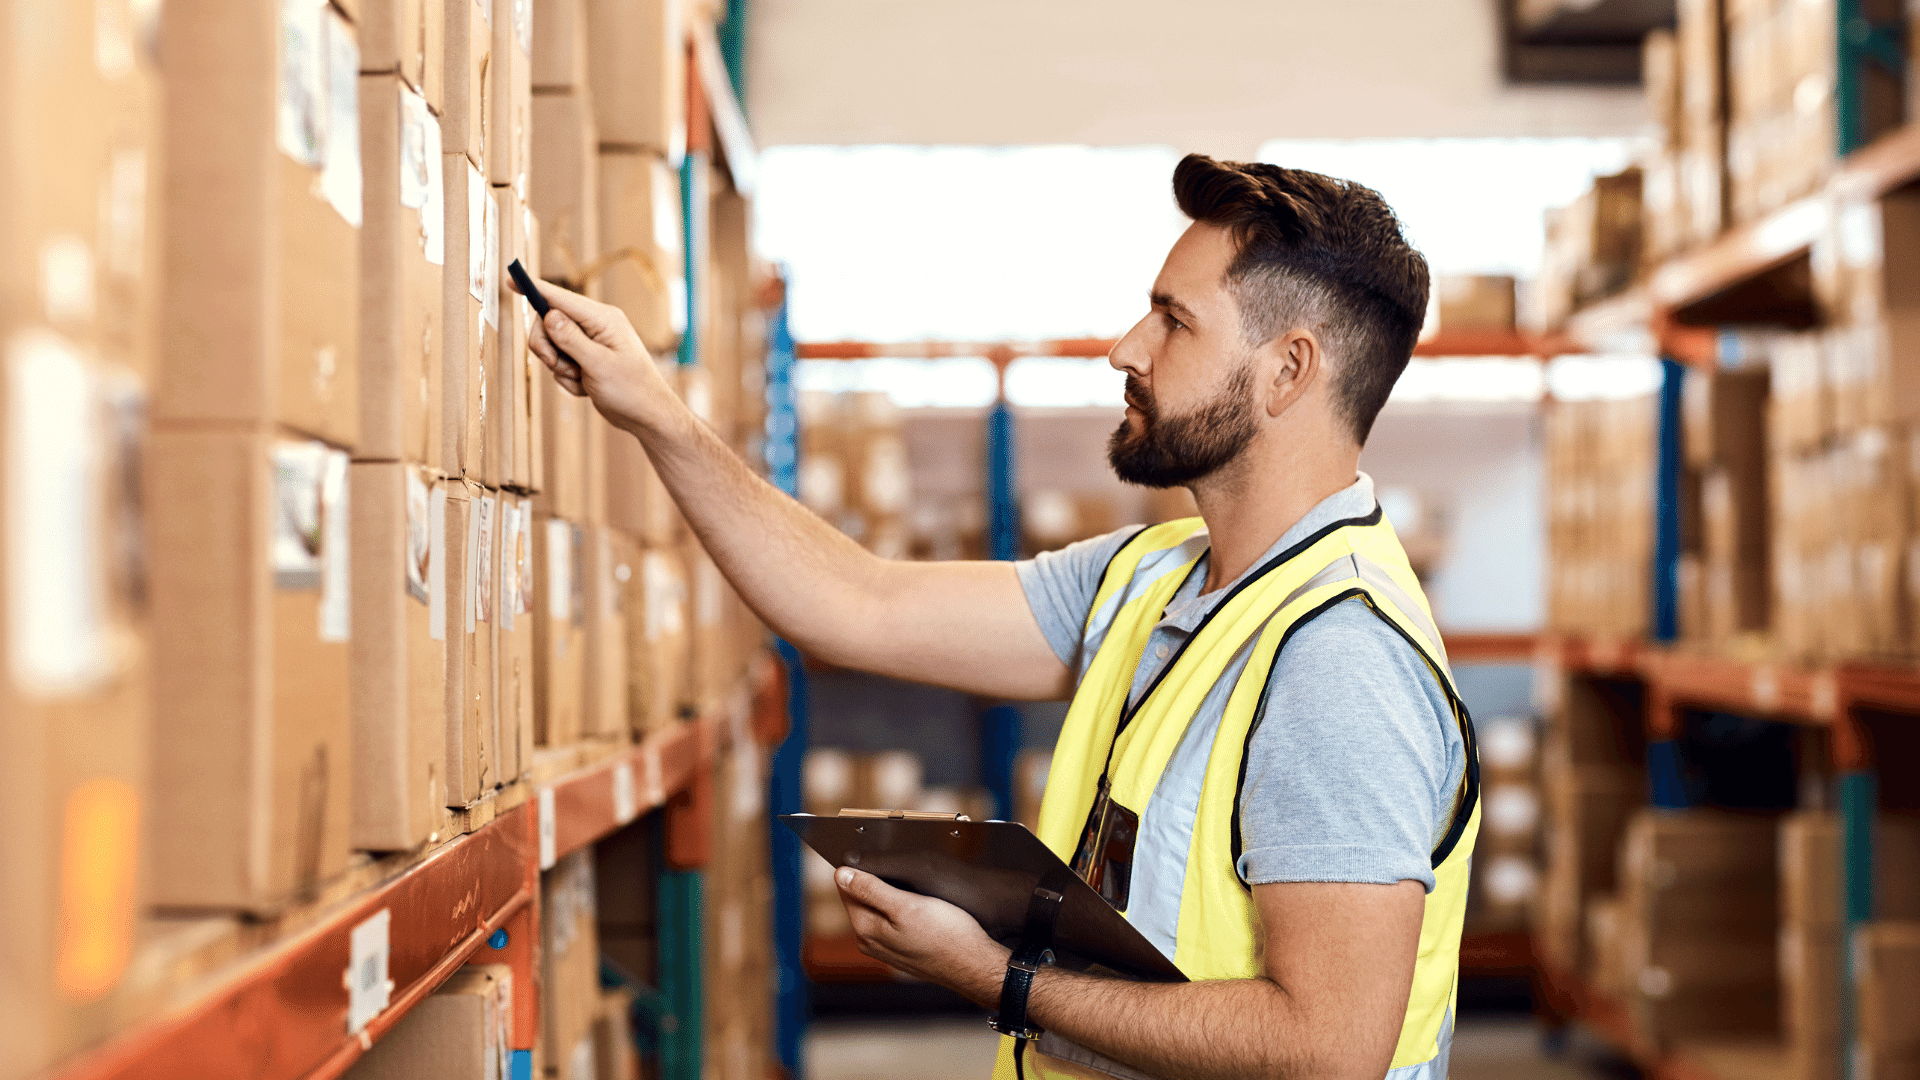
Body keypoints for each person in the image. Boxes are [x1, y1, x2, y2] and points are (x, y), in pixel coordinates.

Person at [519, 154, 1479, 1080]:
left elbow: (1326, 1049)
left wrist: (996, 976)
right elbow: (858, 604)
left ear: (1286, 371)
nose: (1125, 349)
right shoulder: (1148, 579)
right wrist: (656, 413)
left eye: (1173, 322)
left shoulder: (1338, 658)